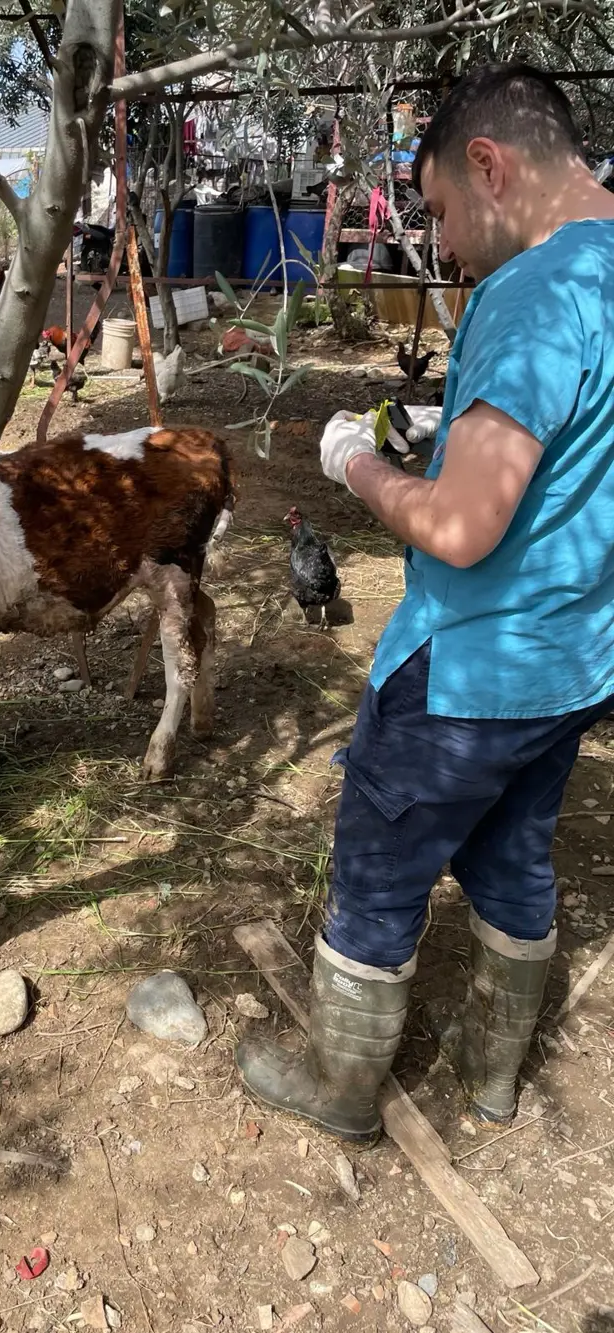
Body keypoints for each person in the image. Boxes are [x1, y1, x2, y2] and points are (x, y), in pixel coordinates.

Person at [237, 64, 614, 1140]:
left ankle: (341, 1087)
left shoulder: (537, 292)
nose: (442, 247)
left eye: (442, 211)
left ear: (489, 166)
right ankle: (493, 1071)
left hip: (468, 668)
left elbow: (459, 526)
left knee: (377, 871)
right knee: (514, 851)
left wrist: (356, 462)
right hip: (578, 658)